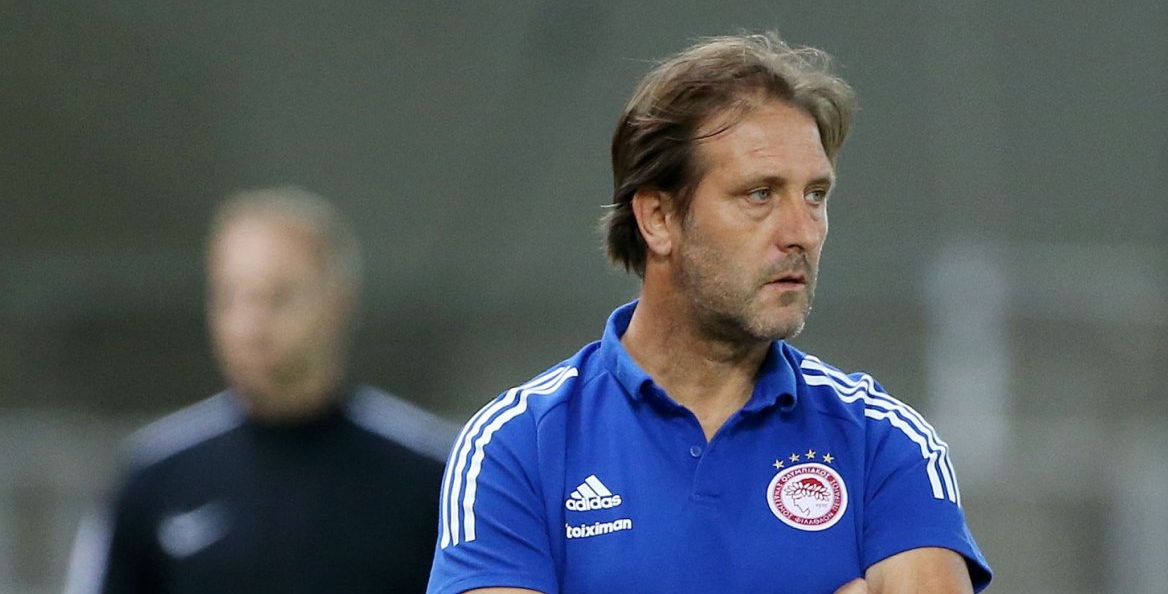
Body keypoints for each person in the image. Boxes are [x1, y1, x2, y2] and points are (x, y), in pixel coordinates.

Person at [426, 34, 992, 594]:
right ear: (658, 218)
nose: (801, 232)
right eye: (760, 194)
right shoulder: (516, 445)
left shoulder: (882, 441)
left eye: (815, 195)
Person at [64, 187, 454, 594]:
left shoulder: (435, 477)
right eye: (230, 297)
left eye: (278, 297)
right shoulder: (153, 478)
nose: (251, 325)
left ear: (339, 303)